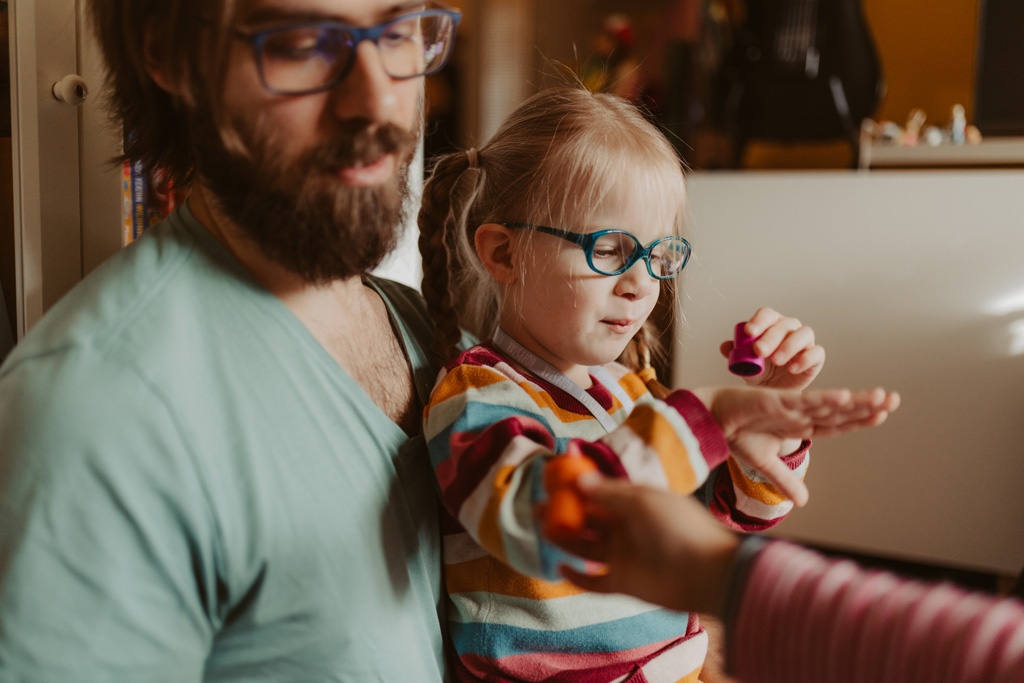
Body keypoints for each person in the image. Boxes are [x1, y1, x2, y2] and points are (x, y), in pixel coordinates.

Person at [0, 1, 462, 680]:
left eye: (396, 32)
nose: (377, 100)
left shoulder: (428, 330)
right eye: (305, 43)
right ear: (170, 56)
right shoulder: (95, 413)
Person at [417, 86, 900, 682]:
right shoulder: (478, 396)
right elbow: (550, 530)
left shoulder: (633, 395)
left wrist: (765, 432)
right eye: (610, 249)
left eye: (658, 254)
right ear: (504, 253)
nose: (641, 283)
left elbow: (735, 514)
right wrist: (705, 421)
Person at [554, 476, 1024, 683]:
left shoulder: (651, 399)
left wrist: (773, 444)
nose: (639, 285)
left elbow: (754, 512)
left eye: (656, 264)